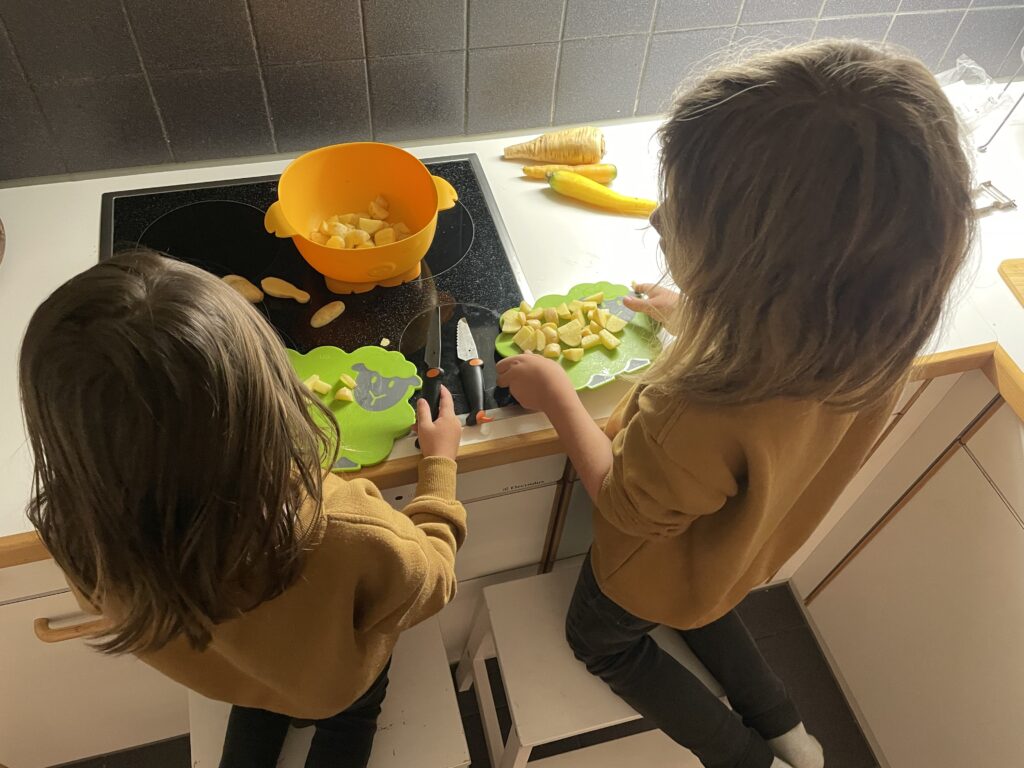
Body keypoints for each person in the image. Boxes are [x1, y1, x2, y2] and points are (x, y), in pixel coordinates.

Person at [496, 40, 973, 768]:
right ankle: (789, 731)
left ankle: (746, 757)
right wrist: (698, 315)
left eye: (684, 215)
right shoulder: (874, 344)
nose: (660, 219)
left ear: (753, 271)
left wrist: (557, 394)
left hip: (644, 567)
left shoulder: (697, 408)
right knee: (703, 604)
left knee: (603, 641)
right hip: (733, 556)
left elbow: (621, 504)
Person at [19, 250, 466, 768]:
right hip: (332, 685)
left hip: (238, 676)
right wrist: (439, 470)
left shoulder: (80, 537)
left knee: (259, 701)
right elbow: (434, 579)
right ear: (267, 393)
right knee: (350, 720)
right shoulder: (341, 527)